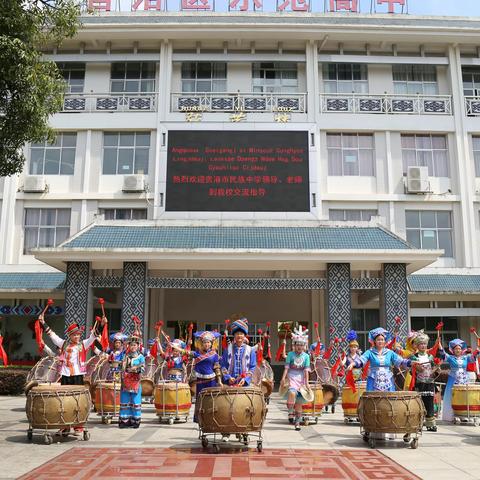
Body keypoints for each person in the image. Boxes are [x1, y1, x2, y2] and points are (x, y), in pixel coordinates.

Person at [38, 313, 102, 435]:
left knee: (78, 400)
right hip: (66, 375)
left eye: (78, 334)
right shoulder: (63, 344)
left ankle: (78, 427)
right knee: (64, 400)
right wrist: (43, 322)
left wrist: (102, 324)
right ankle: (64, 426)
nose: (77, 336)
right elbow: (52, 335)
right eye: (75, 334)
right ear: (70, 335)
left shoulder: (83, 344)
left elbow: (94, 335)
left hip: (77, 375)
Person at [171, 330, 222, 422]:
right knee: (200, 398)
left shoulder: (214, 355)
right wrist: (176, 348)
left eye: (208, 342)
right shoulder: (197, 354)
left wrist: (219, 381)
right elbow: (186, 352)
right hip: (200, 380)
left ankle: (211, 418)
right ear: (202, 344)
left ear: (211, 344)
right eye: (205, 342)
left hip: (212, 380)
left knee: (211, 399)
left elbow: (217, 368)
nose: (207, 344)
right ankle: (199, 418)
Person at [347, 327, 412, 392]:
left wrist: (411, 363)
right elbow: (362, 359)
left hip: (388, 380)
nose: (380, 341)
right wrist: (353, 363)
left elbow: (401, 361)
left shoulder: (389, 352)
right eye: (378, 339)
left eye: (382, 339)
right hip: (373, 379)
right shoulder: (370, 352)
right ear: (374, 341)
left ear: (385, 341)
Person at [439, 338, 479, 422]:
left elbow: (474, 356)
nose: (458, 350)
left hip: (464, 380)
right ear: (453, 350)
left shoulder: (466, 358)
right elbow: (442, 354)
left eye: (459, 349)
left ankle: (464, 414)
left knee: (464, 397)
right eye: (456, 349)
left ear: (462, 350)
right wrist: (439, 344)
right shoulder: (450, 358)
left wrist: (478, 347)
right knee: (452, 396)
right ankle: (452, 414)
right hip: (453, 379)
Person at [280, 327, 310, 431]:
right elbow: (286, 368)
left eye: (301, 344)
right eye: (298, 344)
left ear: (304, 346)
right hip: (291, 377)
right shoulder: (290, 355)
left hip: (301, 379)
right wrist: (283, 379)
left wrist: (307, 384)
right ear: (294, 345)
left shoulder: (306, 356)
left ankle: (297, 422)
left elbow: (306, 371)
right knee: (292, 393)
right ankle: (290, 408)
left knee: (299, 404)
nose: (299, 346)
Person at [409, 331, 438, 431]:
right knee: (419, 403)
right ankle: (418, 423)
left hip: (429, 382)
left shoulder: (430, 357)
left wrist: (435, 369)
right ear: (417, 345)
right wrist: (417, 369)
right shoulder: (414, 357)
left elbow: (434, 367)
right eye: (421, 344)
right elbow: (410, 370)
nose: (423, 346)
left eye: (424, 344)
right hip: (419, 382)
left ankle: (430, 423)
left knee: (429, 402)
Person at [119, 333, 146, 428]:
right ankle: (125, 421)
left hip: (135, 382)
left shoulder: (141, 357)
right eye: (131, 345)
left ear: (138, 346)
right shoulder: (125, 356)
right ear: (128, 346)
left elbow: (143, 368)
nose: (133, 346)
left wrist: (136, 369)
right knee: (125, 401)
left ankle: (135, 421)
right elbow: (121, 366)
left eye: (135, 345)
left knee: (135, 402)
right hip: (125, 382)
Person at [221, 318, 256, 387]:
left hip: (244, 383)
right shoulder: (227, 350)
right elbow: (223, 366)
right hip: (230, 384)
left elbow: (252, 367)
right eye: (237, 333)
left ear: (244, 335)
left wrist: (245, 379)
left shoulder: (250, 350)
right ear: (234, 335)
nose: (239, 335)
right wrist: (228, 378)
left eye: (241, 334)